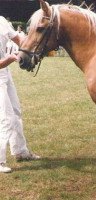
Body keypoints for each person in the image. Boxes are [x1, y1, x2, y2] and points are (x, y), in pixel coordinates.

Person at [0, 16, 40, 173]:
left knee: (16, 111)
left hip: (4, 72)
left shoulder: (1, 20)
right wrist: (10, 58)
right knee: (5, 118)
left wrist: (32, 49)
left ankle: (20, 151)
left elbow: (18, 38)